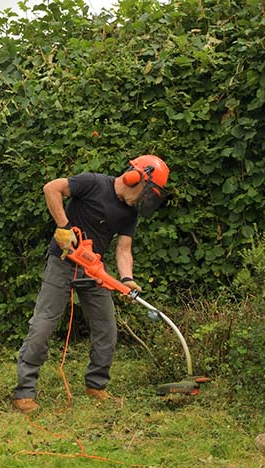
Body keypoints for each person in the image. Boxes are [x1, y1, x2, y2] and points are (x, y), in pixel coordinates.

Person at [12, 155, 170, 413]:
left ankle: (96, 385)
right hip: (62, 263)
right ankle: (24, 392)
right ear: (134, 178)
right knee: (43, 324)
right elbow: (51, 188)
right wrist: (64, 228)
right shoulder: (93, 183)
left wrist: (127, 278)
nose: (144, 200)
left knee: (106, 327)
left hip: (94, 269)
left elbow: (124, 249)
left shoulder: (129, 213)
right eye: (147, 192)